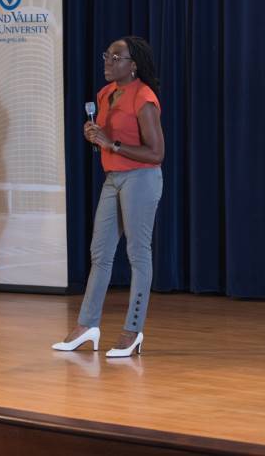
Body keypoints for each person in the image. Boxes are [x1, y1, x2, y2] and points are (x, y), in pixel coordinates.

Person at [52, 36, 164, 357]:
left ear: (133, 65)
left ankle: (132, 330)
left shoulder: (144, 98)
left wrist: (110, 143)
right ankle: (87, 326)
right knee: (100, 253)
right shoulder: (105, 94)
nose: (108, 62)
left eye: (116, 58)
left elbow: (156, 153)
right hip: (113, 178)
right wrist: (94, 136)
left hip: (141, 179)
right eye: (107, 56)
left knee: (138, 254)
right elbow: (106, 138)